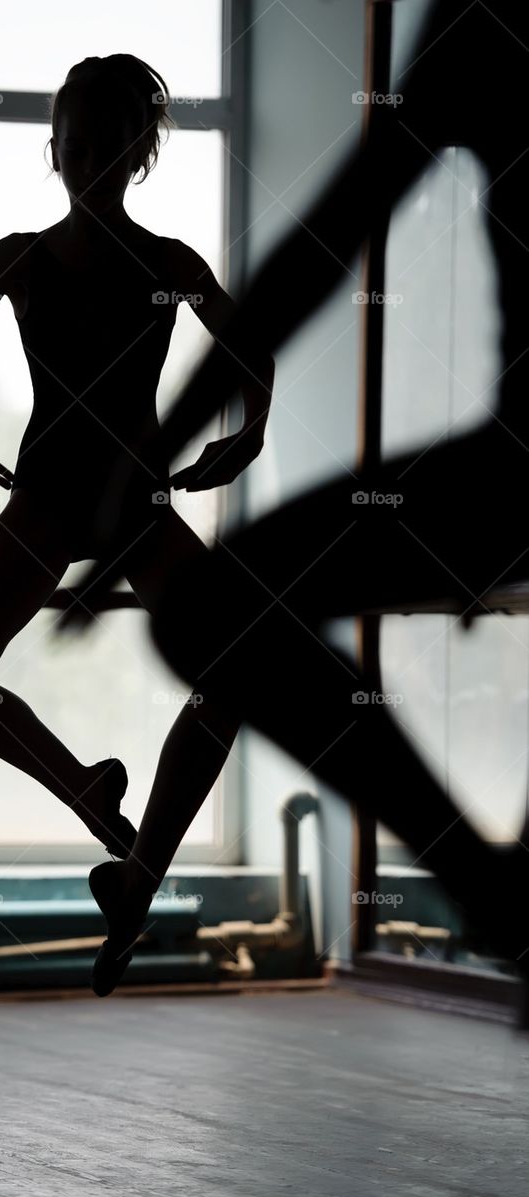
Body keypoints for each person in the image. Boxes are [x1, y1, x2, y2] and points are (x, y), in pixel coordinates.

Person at [59, 0, 529, 997]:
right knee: (209, 615)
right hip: (511, 467)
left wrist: (143, 465)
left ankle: (489, 888)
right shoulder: (474, 27)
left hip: (512, 469)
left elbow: (318, 248)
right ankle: (494, 890)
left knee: (209, 614)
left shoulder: (475, 25)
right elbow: (305, 260)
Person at [0, 55, 270, 913]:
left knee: (235, 675)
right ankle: (86, 791)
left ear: (138, 154)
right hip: (47, 499)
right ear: (54, 149)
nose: (91, 163)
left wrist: (250, 434)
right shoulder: (19, 258)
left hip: (134, 507)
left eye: (110, 148)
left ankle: (142, 863)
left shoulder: (167, 261)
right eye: (77, 147)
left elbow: (249, 346)